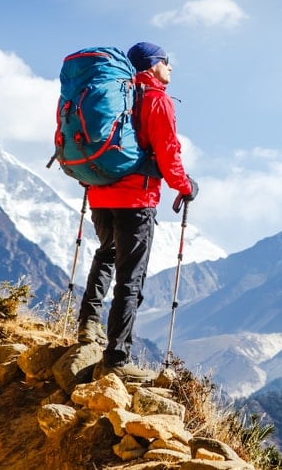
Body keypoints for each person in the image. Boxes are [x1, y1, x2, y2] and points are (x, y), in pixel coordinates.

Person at [76, 41, 198, 382]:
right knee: (131, 278)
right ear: (153, 64)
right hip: (136, 200)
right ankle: (116, 357)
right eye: (167, 61)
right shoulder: (155, 99)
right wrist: (185, 187)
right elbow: (168, 150)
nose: (171, 68)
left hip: (101, 194)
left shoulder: (115, 95)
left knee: (106, 255)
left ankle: (87, 324)